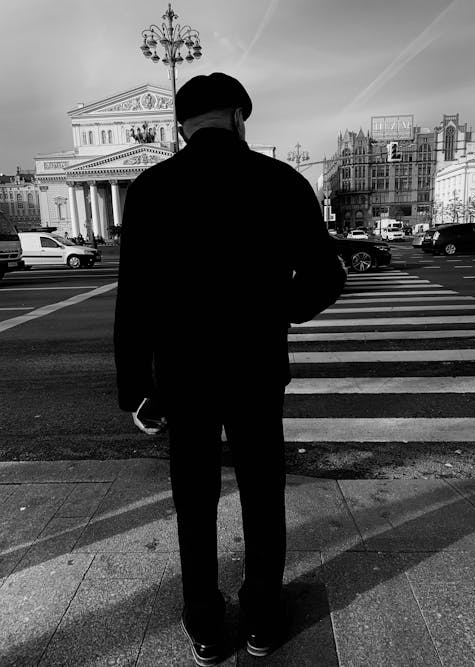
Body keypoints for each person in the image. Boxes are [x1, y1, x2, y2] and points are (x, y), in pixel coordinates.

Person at [114, 72, 347, 666]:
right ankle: (263, 620)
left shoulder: (149, 189)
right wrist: (276, 312)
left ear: (180, 127)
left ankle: (206, 628)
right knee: (262, 497)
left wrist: (137, 388)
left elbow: (133, 298)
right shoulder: (281, 181)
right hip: (255, 369)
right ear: (240, 118)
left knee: (193, 503)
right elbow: (327, 276)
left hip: (183, 378)